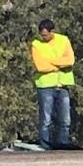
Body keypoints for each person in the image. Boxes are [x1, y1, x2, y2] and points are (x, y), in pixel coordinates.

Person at [31, 19, 75, 150]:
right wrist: (60, 64)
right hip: (45, 86)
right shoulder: (36, 44)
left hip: (63, 85)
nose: (43, 38)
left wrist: (50, 61)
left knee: (65, 120)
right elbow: (40, 66)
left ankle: (62, 145)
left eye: (45, 35)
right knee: (46, 120)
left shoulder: (64, 40)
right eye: (41, 35)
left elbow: (70, 60)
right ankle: (45, 146)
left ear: (52, 32)